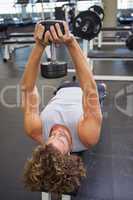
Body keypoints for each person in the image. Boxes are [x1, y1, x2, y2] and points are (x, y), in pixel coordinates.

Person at [20, 21, 106, 194]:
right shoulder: (87, 136)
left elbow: (27, 90)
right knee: (101, 88)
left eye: (51, 138)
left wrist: (39, 45)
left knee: (66, 82)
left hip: (62, 90)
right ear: (69, 154)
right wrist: (71, 42)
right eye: (61, 139)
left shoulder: (35, 130)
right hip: (85, 93)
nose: (56, 133)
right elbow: (89, 88)